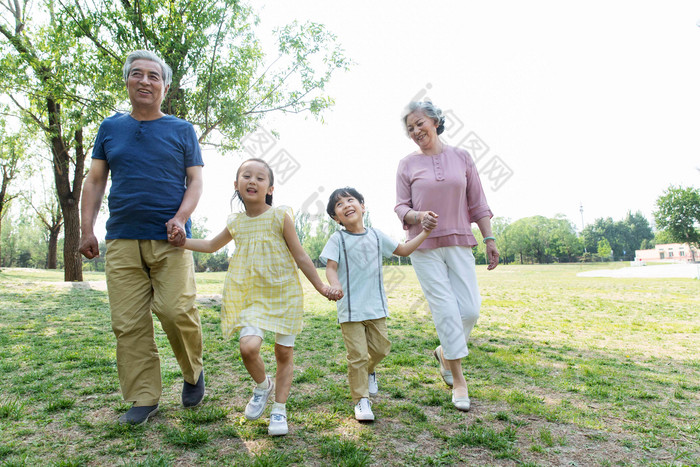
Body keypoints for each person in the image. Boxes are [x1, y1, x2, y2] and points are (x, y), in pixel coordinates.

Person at [170, 158, 341, 436]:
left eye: (260, 178)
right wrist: (183, 242)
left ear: (270, 188)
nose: (253, 181)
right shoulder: (236, 222)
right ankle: (263, 386)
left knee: (283, 352)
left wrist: (321, 287)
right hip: (250, 294)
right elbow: (212, 245)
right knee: (248, 348)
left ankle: (279, 410)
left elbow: (300, 255)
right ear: (236, 185)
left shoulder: (280, 215)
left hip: (284, 292)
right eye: (246, 176)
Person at [79, 50, 205, 425]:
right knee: (128, 322)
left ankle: (193, 371)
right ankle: (143, 397)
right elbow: (96, 180)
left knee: (175, 310)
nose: (145, 81)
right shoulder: (109, 128)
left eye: (154, 76)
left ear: (165, 86)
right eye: (138, 74)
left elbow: (196, 180)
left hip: (172, 239)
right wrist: (87, 228)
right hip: (121, 238)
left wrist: (181, 218)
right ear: (128, 82)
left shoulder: (182, 130)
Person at [394, 101, 499, 411]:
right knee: (445, 311)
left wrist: (489, 237)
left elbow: (478, 202)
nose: (415, 131)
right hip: (422, 246)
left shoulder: (462, 158)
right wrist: (417, 217)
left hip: (459, 240)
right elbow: (401, 206)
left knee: (469, 310)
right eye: (409, 128)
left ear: (436, 121)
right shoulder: (406, 164)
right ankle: (459, 380)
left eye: (419, 123)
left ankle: (443, 352)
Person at [320, 187, 436, 421]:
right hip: (350, 309)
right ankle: (361, 400)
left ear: (363, 206)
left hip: (376, 307)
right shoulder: (338, 239)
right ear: (335, 217)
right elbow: (330, 268)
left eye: (350, 200)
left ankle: (369, 371)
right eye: (339, 205)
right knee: (358, 356)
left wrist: (424, 233)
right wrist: (335, 285)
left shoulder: (376, 235)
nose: (346, 205)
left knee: (381, 349)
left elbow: (403, 250)